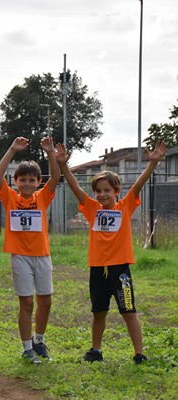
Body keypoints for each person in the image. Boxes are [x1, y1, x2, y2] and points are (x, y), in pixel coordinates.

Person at [56, 141, 167, 365]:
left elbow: (139, 184)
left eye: (107, 190)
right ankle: (96, 350)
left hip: (120, 271)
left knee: (128, 311)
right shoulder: (91, 208)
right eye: (98, 191)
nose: (102, 194)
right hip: (98, 270)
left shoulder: (124, 207)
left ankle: (139, 353)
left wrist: (153, 162)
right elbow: (76, 188)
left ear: (116, 191)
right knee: (99, 312)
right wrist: (63, 167)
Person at [0, 137, 60, 364]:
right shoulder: (11, 197)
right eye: (23, 180)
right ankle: (26, 347)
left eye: (32, 180)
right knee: (27, 303)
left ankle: (39, 341)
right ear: (16, 181)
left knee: (46, 301)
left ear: (38, 182)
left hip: (42, 255)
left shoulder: (42, 197)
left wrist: (50, 152)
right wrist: (12, 149)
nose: (28, 183)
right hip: (20, 256)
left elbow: (57, 177)